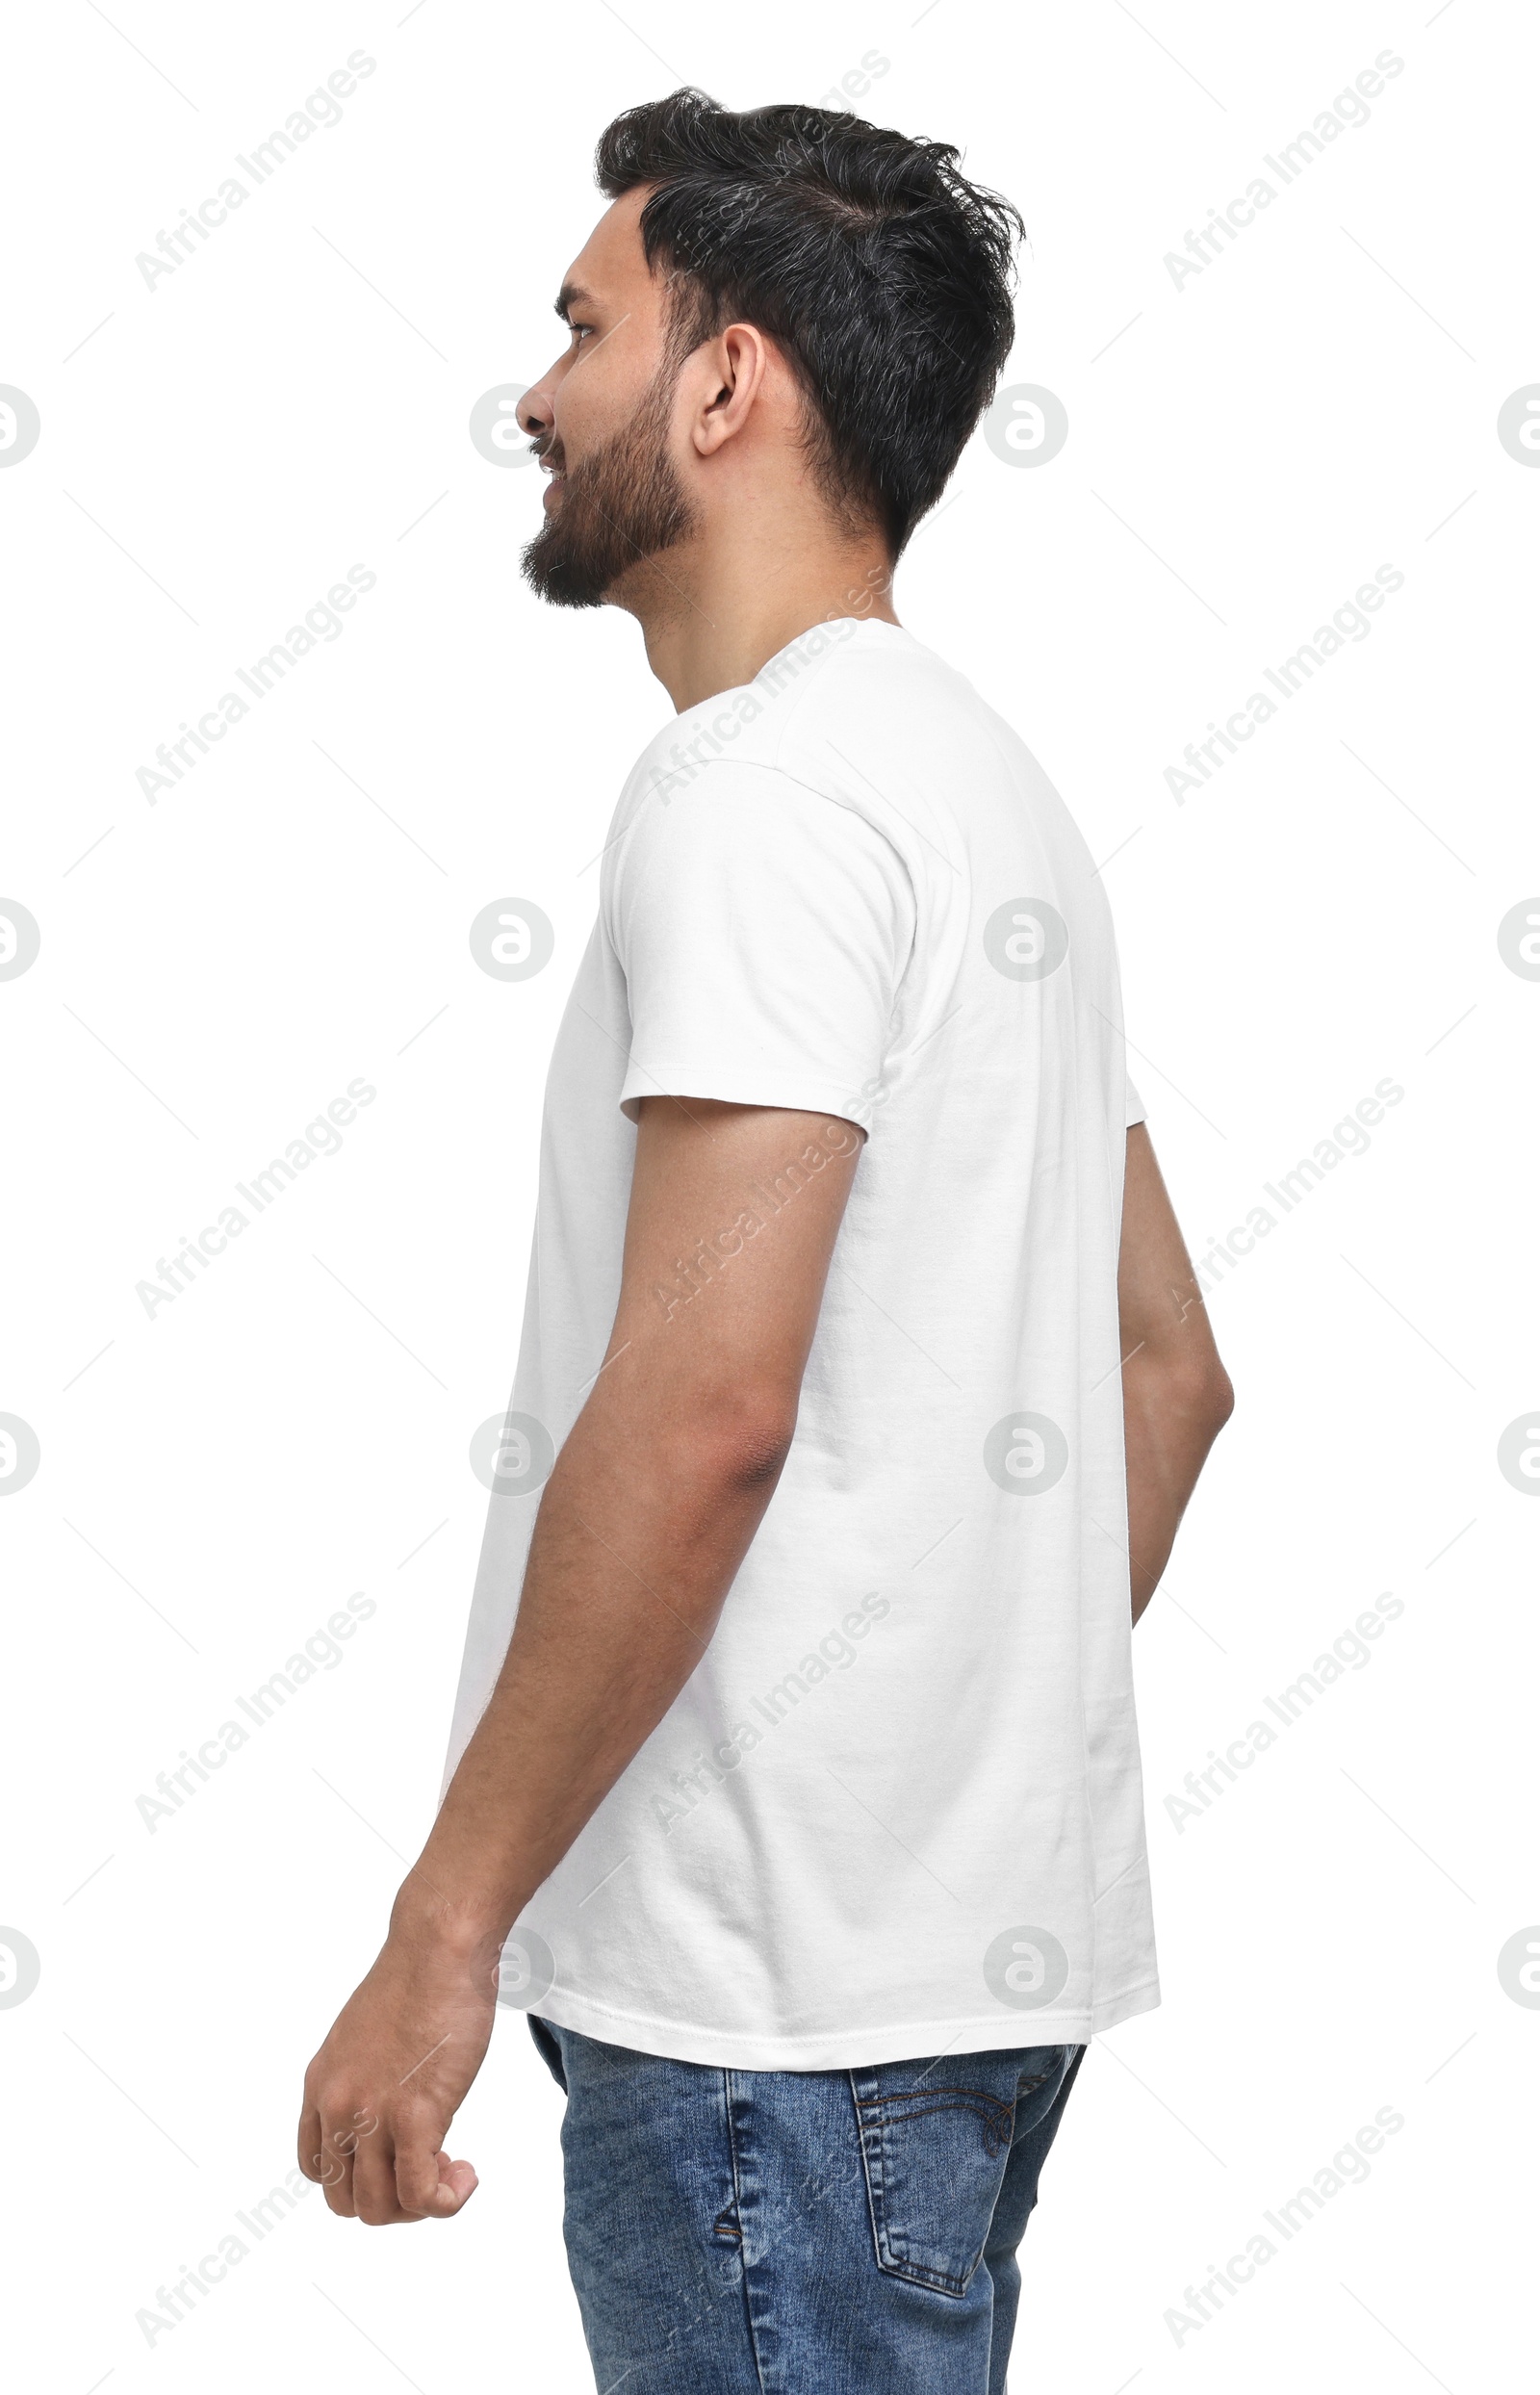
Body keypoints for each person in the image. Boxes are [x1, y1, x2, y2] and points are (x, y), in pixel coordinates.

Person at [298, 88, 1234, 2393]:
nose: (532, 392)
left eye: (583, 325)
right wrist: (927, 1765)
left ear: (727, 384)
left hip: (760, 2036)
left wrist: (443, 1926)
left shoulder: (757, 792)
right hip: (946, 1999)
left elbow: (708, 1401)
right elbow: (1165, 1373)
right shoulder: (984, 793)